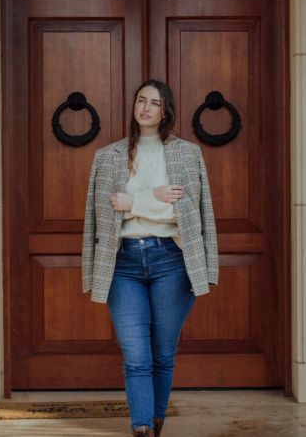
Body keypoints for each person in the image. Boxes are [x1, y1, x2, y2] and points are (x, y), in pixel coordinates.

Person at [81, 79, 220, 437]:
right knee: (136, 356)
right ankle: (141, 427)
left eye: (155, 103)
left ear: (165, 110)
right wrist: (156, 199)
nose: (145, 108)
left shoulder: (187, 154)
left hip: (171, 260)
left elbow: (190, 213)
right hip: (122, 262)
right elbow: (102, 214)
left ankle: (155, 421)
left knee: (162, 353)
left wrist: (136, 203)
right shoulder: (107, 156)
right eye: (141, 100)